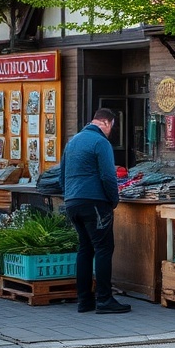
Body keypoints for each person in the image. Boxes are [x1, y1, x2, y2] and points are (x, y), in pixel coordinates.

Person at [60, 108, 130, 314]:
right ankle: (104, 300)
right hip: (95, 202)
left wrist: (69, 195)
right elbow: (109, 176)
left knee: (85, 248)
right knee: (103, 248)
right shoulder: (101, 143)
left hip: (73, 202)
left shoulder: (72, 141)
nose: (111, 131)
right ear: (107, 123)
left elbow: (61, 175)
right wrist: (113, 199)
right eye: (112, 127)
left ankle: (84, 301)